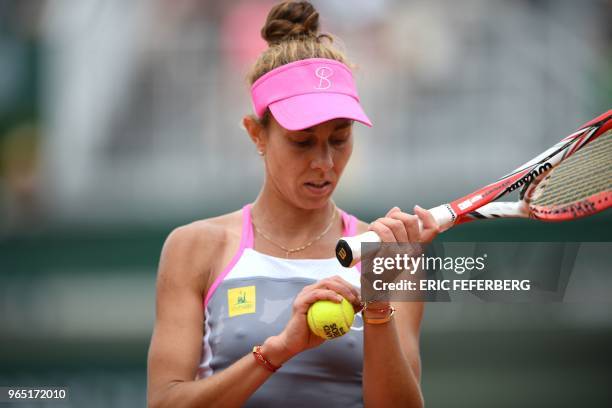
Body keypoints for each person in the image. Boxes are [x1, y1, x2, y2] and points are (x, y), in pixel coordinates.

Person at [147, 2, 439, 407]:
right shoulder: (194, 248)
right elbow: (164, 403)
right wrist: (279, 350)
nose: (325, 162)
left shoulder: (388, 254)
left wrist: (377, 306)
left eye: (339, 139)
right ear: (256, 134)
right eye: (302, 142)